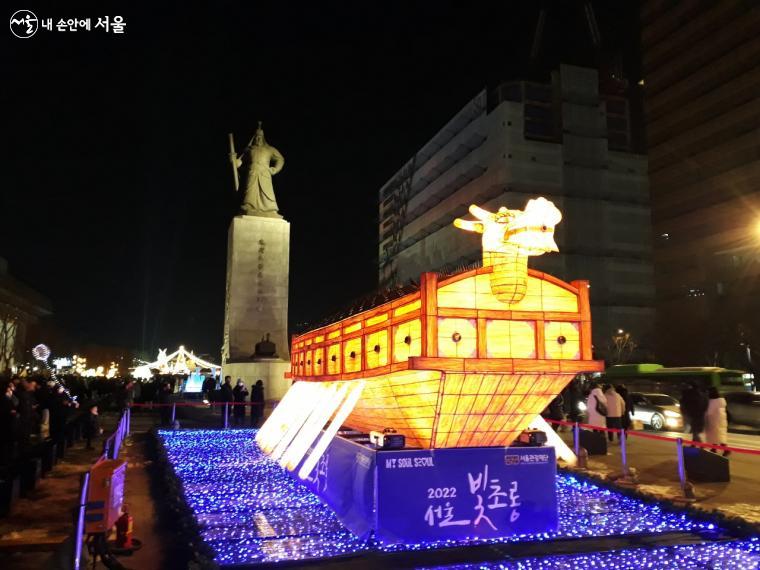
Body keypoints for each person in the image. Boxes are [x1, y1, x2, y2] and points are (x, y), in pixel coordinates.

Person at [704, 386, 729, 456]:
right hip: (721, 421)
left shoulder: (712, 402)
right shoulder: (721, 401)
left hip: (714, 421)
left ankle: (725, 450)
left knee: (715, 436)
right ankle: (714, 449)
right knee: (719, 436)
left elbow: (709, 412)